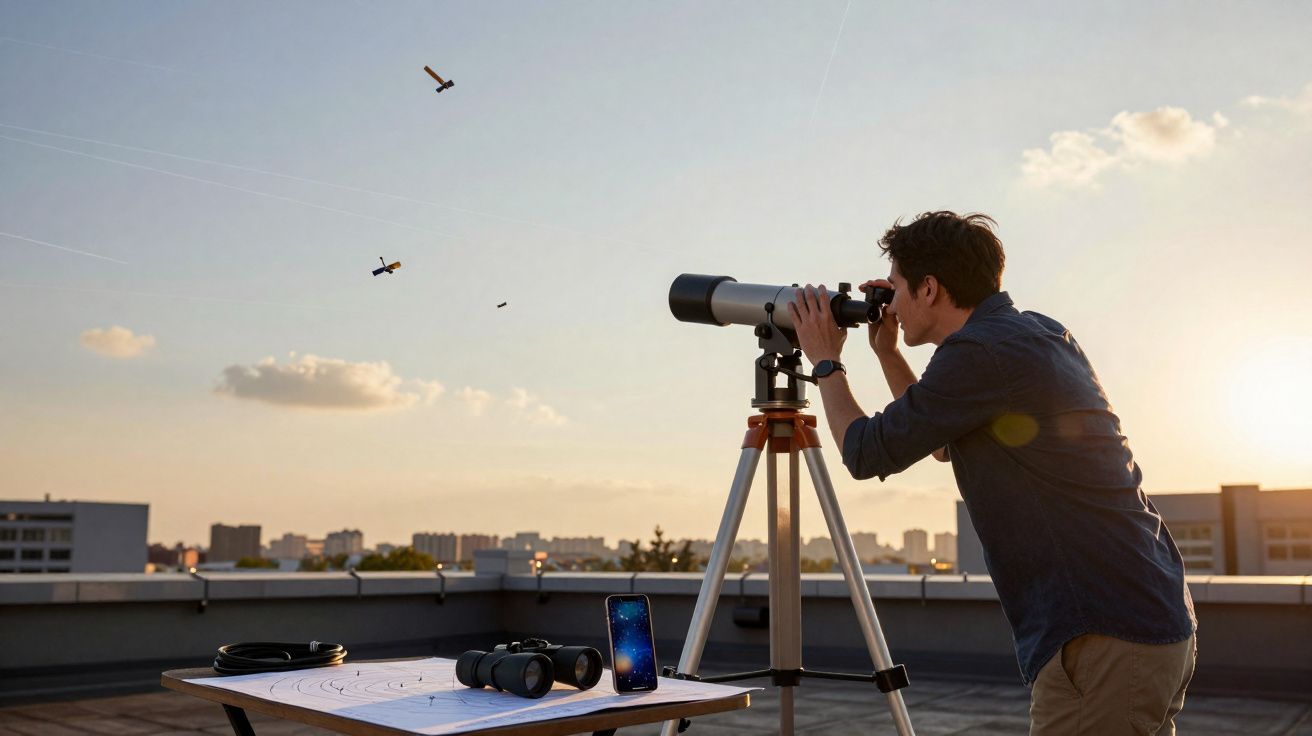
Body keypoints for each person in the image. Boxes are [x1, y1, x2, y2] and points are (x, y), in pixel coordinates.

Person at [787, 211, 1197, 735]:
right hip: (1150, 617)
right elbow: (940, 440)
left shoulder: (978, 355)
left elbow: (865, 453)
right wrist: (887, 352)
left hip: (1102, 636)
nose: (890, 302)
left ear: (929, 288)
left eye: (895, 287)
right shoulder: (1037, 332)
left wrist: (825, 361)